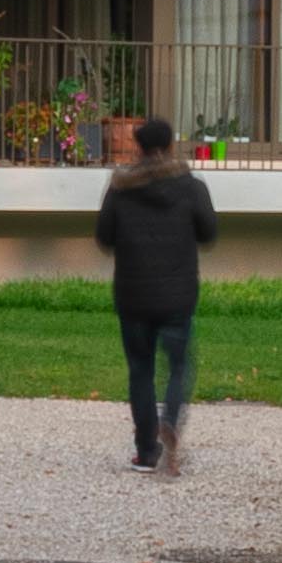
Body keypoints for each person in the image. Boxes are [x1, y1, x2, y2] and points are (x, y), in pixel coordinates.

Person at [100, 113, 216, 477]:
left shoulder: (120, 187)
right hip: (178, 294)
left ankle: (146, 452)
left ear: (138, 146)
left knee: (140, 371)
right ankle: (170, 422)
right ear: (169, 145)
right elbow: (209, 232)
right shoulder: (191, 186)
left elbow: (103, 237)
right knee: (179, 365)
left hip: (133, 293)